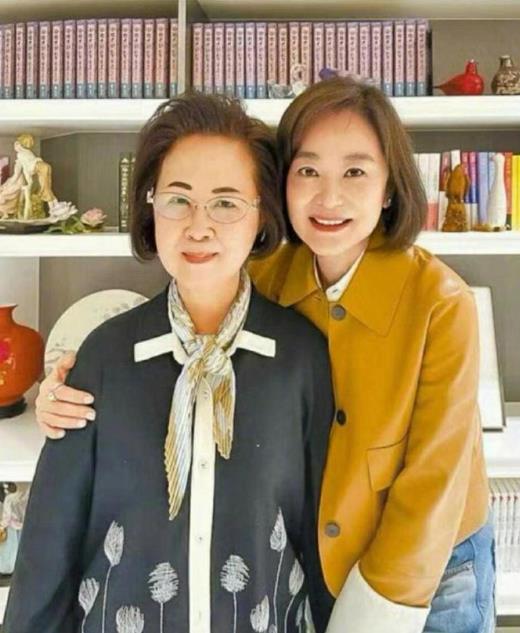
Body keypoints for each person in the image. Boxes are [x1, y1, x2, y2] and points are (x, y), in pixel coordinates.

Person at [35, 78, 495, 633]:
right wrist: (72, 384)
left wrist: (372, 616)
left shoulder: (440, 303)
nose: (329, 198)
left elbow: (434, 485)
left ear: (390, 188)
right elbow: (189, 301)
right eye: (308, 171)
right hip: (329, 550)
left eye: (355, 172)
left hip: (431, 560)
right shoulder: (271, 274)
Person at [4, 93, 334, 633]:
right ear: (150, 207)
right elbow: (49, 544)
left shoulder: (302, 358)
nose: (199, 226)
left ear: (262, 216)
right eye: (178, 199)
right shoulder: (105, 356)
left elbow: (323, 540)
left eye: (226, 203)